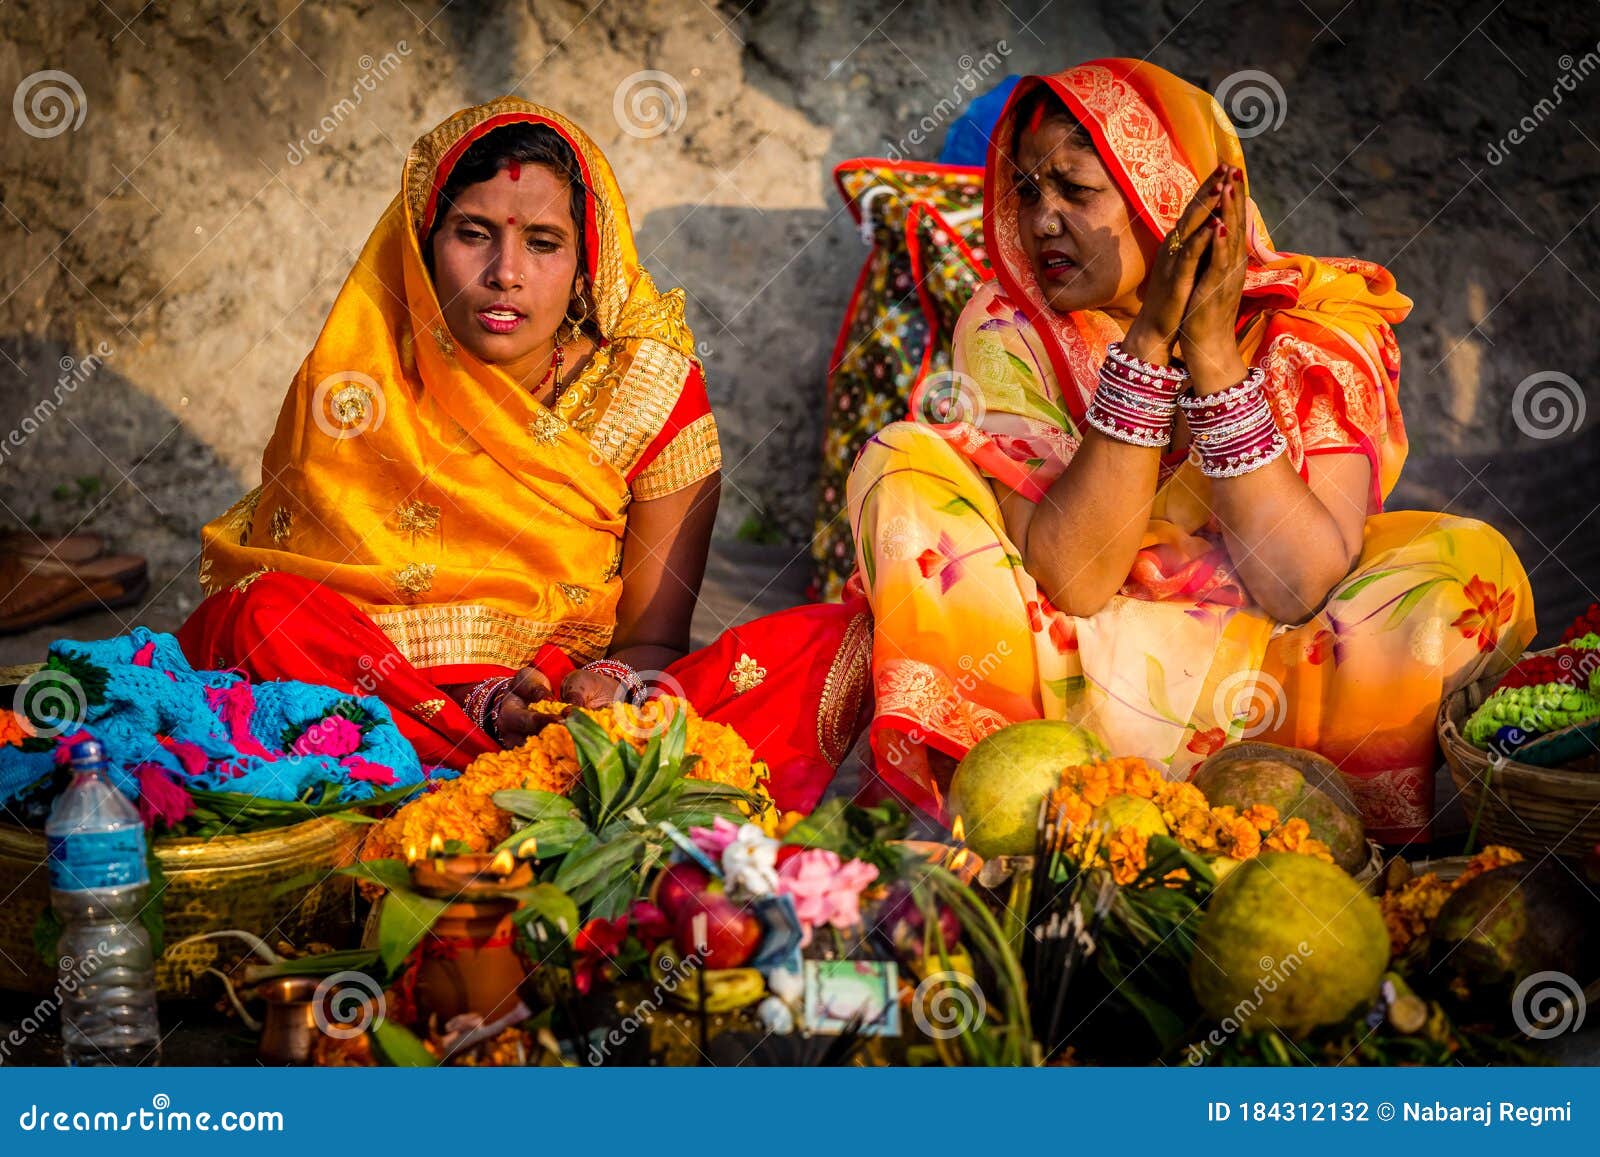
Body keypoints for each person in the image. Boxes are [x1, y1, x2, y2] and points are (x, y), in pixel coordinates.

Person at [846, 60, 1533, 843]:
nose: (1040, 221)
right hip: (1061, 675)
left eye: (1075, 189)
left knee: (1461, 562)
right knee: (902, 465)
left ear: (1168, 190)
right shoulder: (1011, 324)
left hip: (1264, 691)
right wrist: (1145, 345)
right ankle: (1013, 803)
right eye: (1028, 191)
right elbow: (1076, 576)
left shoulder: (1318, 327)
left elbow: (1299, 583)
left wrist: (1210, 353)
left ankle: (1292, 818)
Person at [179, 98, 869, 812]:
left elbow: (654, 641)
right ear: (422, 245)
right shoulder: (362, 381)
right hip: (384, 696)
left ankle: (521, 788)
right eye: (473, 234)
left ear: (584, 267)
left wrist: (599, 690)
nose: (505, 272)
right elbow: (302, 614)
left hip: (571, 724)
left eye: (543, 242)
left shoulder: (646, 391)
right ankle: (522, 793)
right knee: (263, 613)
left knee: (824, 643)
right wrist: (483, 703)